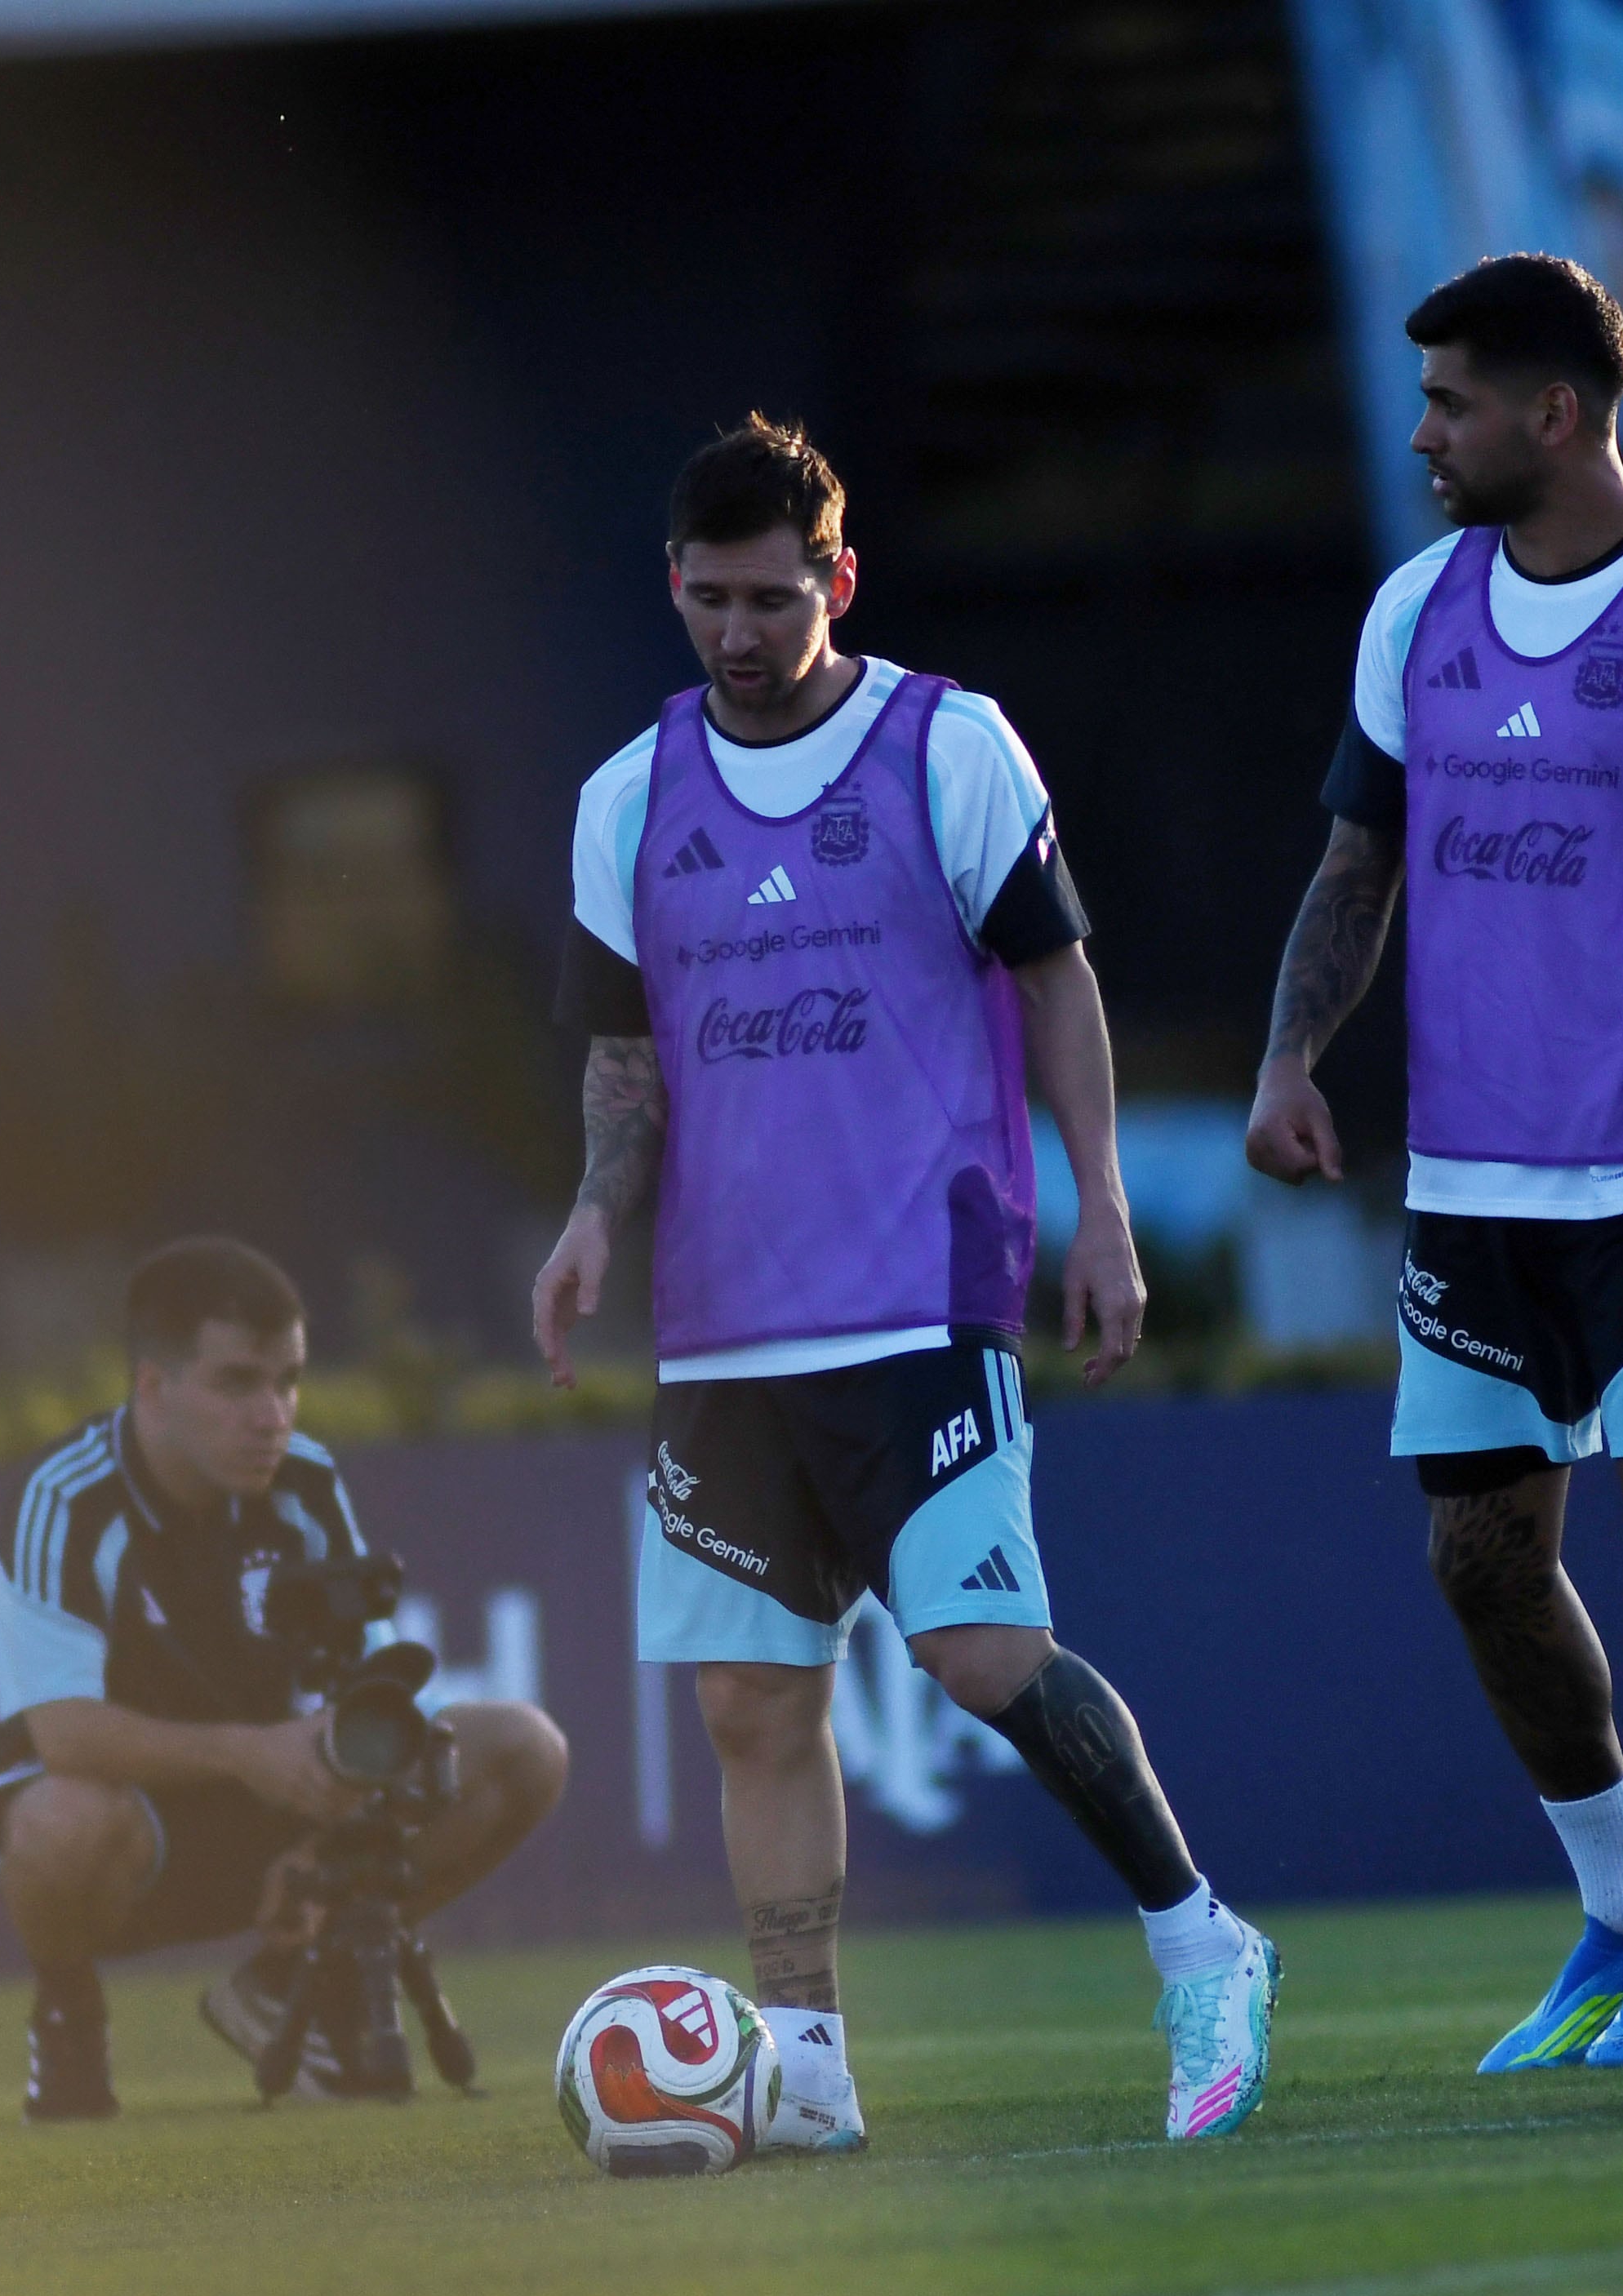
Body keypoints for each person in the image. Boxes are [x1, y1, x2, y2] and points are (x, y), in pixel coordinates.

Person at [535, 416, 1277, 2147]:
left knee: (972, 1648)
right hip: (720, 1324)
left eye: (770, 599)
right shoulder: (625, 797)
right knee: (750, 1702)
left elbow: (1056, 984)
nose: (735, 631)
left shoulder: (946, 747)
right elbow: (623, 1056)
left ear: (837, 581)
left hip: (921, 1290)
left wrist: (1098, 1207)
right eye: (707, 597)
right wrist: (590, 1216)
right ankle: (803, 2074)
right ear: (670, 584)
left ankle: (1201, 1944)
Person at [1247, 255, 1623, 2072]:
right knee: (1479, 1563)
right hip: (1466, 1182)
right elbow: (1358, 868)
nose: (1422, 433)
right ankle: (1606, 1906)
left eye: (1448, 403)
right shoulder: (1412, 611)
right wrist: (1287, 1054)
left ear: (1557, 414)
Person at [0, 1238, 570, 2119]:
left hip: (288, 1809)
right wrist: (250, 1754)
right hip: (135, 1834)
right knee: (56, 1821)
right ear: (154, 1390)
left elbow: (379, 1692)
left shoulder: (308, 1483)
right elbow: (60, 1731)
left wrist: (337, 1835)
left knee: (524, 1749)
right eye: (238, 1383)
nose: (272, 1415)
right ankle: (68, 2010)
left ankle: (287, 1985)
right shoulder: (68, 1499)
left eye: (288, 1381)